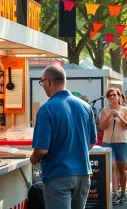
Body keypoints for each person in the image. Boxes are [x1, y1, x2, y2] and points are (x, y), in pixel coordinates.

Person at [30, 65, 97, 209]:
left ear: (48, 82)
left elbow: (41, 150)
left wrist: (33, 158)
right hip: (83, 174)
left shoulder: (47, 109)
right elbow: (91, 143)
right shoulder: (85, 107)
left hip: (58, 174)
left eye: (42, 83)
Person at [100, 88, 127, 205]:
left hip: (122, 142)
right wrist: (109, 116)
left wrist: (119, 116)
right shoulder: (105, 110)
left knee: (122, 169)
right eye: (110, 95)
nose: (112, 97)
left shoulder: (124, 110)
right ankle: (115, 193)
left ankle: (123, 193)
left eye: (114, 95)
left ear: (119, 97)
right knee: (112, 167)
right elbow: (102, 127)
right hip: (108, 142)